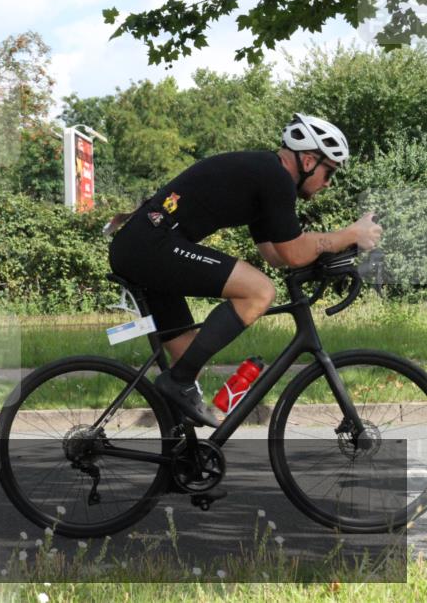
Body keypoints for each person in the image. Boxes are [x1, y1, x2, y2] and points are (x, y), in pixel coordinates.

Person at [108, 113, 382, 427]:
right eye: (328, 171)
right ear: (308, 160)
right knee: (260, 292)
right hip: (150, 245)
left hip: (144, 245)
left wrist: (334, 254)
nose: (328, 183)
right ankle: (177, 382)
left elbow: (276, 255)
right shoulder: (275, 178)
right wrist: (350, 234)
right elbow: (293, 253)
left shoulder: (264, 176)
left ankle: (178, 456)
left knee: (187, 354)